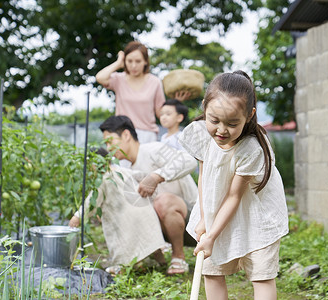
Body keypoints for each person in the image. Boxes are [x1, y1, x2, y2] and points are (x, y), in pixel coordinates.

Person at [178, 71, 289, 300]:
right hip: (218, 205)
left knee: (262, 274)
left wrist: (212, 235)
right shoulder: (200, 134)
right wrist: (204, 217)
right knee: (212, 270)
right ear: (204, 108)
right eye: (214, 120)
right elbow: (204, 176)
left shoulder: (251, 148)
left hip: (256, 212)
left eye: (232, 123)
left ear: (250, 115)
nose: (221, 130)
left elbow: (234, 197)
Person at [69, 115, 198, 275]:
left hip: (194, 223)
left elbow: (189, 161)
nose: (108, 148)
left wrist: (155, 177)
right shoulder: (123, 168)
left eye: (110, 141)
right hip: (163, 225)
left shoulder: (154, 149)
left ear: (126, 135)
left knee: (162, 201)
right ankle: (150, 258)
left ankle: (178, 257)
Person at [95, 41, 190, 143]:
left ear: (145, 61)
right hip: (123, 134)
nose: (133, 65)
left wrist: (175, 103)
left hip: (147, 135)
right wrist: (118, 63)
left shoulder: (154, 82)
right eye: (129, 61)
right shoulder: (119, 79)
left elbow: (160, 112)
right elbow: (100, 77)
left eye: (138, 61)